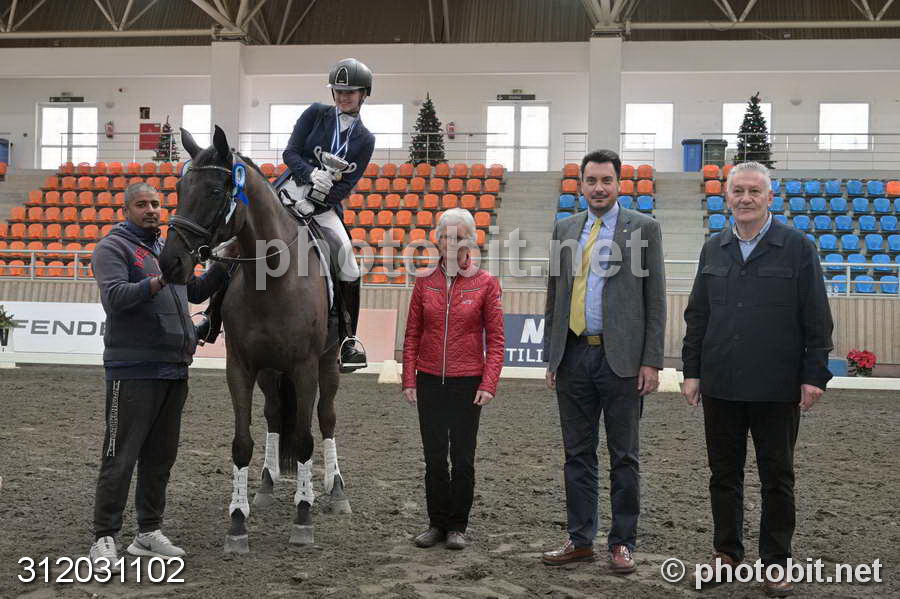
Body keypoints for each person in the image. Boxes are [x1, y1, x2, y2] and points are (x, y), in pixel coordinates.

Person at [682, 161, 833, 597]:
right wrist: (692, 370)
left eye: (754, 191)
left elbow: (817, 317)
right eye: (738, 191)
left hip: (776, 386)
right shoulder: (714, 248)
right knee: (723, 474)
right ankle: (726, 554)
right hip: (721, 383)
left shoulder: (798, 247)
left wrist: (813, 375)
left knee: (777, 477)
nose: (745, 198)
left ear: (770, 197)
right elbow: (698, 315)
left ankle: (776, 561)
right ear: (726, 197)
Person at [88, 182, 229, 567]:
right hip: (132, 369)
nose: (151, 209)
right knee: (120, 456)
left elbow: (195, 290)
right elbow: (115, 298)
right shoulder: (112, 248)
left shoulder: (167, 249)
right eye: (141, 204)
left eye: (155, 203)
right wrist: (160, 279)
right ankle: (104, 536)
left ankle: (148, 531)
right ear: (126, 210)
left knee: (160, 458)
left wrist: (224, 262)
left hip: (174, 368)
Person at [541, 149, 666, 573]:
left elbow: (655, 299)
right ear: (580, 185)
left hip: (623, 361)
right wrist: (552, 355)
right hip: (573, 356)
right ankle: (580, 540)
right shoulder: (564, 229)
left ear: (618, 184)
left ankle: (622, 543)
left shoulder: (644, 228)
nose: (598, 188)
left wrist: (651, 360)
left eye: (606, 180)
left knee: (624, 456)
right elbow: (555, 296)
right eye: (591, 181)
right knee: (577, 454)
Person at [401, 208, 505, 551]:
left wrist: (488, 383)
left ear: (470, 241)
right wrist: (409, 378)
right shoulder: (424, 281)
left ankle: (458, 526)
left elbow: (497, 339)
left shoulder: (486, 283)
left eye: (458, 237)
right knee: (434, 457)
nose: (450, 242)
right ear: (437, 239)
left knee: (462, 458)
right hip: (429, 379)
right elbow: (412, 334)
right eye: (445, 236)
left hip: (467, 382)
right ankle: (436, 523)